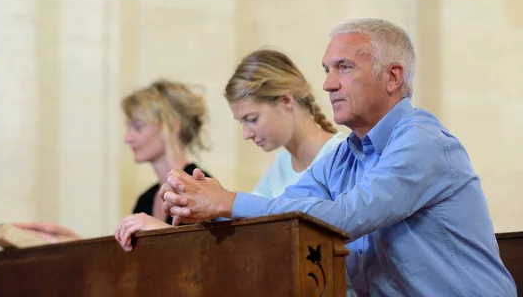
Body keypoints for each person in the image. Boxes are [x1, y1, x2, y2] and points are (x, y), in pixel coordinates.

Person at [159, 18, 517, 296]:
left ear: (393, 77)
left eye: (343, 67)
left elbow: (345, 218)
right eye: (326, 70)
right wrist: (204, 213)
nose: (328, 84)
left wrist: (227, 202)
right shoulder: (343, 155)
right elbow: (285, 218)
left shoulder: (422, 141)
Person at [114, 49, 346, 247]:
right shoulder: (280, 166)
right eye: (241, 122)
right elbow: (245, 234)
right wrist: (208, 210)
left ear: (286, 100)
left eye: (252, 119)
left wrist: (218, 203)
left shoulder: (341, 155)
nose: (246, 133)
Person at [14, 79, 211, 248]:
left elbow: (209, 257)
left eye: (138, 127)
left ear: (171, 126)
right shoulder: (146, 199)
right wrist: (72, 243)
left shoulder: (200, 185)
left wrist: (160, 231)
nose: (127, 138)